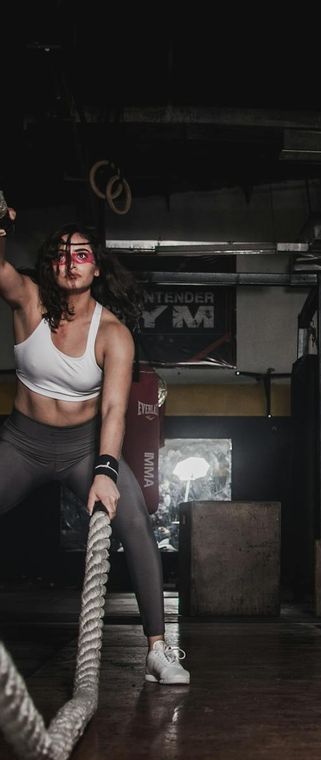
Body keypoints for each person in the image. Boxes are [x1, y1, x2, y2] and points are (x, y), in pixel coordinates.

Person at [0, 205, 190, 685]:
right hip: (23, 443)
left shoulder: (113, 334)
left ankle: (158, 650)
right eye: (61, 255)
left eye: (81, 254)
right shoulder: (28, 301)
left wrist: (106, 470)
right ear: (51, 265)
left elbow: (113, 410)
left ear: (96, 267)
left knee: (137, 524)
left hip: (87, 447)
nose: (70, 262)